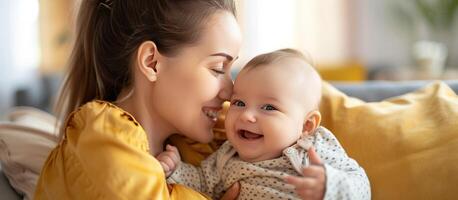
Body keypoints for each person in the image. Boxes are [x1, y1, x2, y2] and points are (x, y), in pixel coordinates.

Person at [34, 0, 243, 199]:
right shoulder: (100, 138)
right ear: (152, 62)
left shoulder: (197, 145)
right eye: (218, 68)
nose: (230, 92)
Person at [157, 49, 371, 200]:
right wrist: (176, 169)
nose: (247, 116)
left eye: (268, 108)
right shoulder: (227, 156)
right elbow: (202, 182)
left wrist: (330, 185)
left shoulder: (312, 149)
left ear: (306, 125)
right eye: (238, 103)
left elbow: (361, 185)